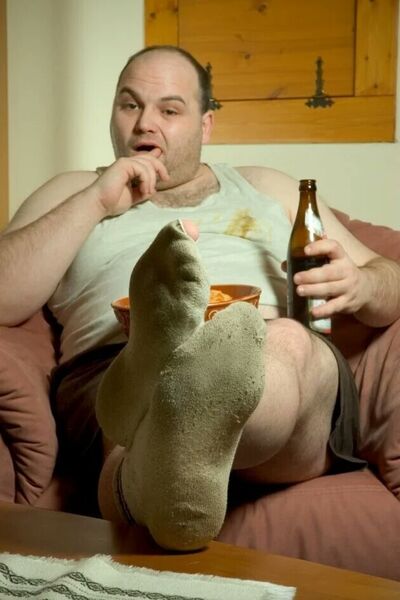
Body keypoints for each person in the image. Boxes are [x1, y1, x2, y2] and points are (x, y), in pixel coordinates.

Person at [0, 45, 399, 551]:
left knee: (285, 343)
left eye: (169, 110)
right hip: (119, 359)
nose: (145, 123)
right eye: (129, 104)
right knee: (138, 372)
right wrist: (96, 200)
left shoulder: (265, 186)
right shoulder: (73, 192)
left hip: (274, 368)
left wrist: (362, 284)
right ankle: (173, 430)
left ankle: (154, 469)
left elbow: (390, 280)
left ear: (205, 125)